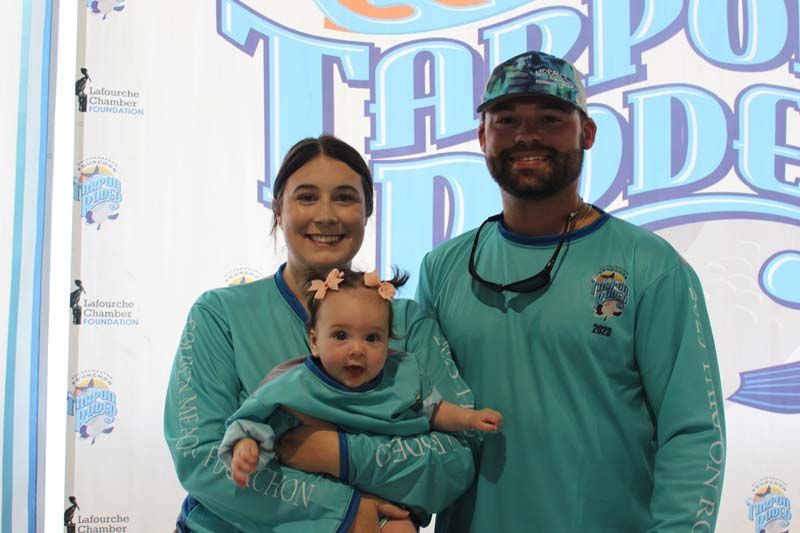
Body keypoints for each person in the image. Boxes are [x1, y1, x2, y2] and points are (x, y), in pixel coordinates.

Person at [416, 51, 726, 532]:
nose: (527, 135)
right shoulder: (442, 269)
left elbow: (693, 431)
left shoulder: (650, 266)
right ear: (482, 137)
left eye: (550, 118)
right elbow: (418, 416)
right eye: (507, 119)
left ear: (587, 133)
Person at [164, 135, 479, 533]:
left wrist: (337, 454)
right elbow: (201, 457)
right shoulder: (219, 316)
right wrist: (346, 512)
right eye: (307, 197)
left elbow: (457, 458)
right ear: (278, 210)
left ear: (367, 211)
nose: (326, 215)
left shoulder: (408, 324)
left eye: (345, 198)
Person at [220, 268, 502, 532]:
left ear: (389, 342)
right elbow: (258, 419)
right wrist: (246, 445)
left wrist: (468, 419)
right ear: (315, 341)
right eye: (341, 336)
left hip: (392, 495)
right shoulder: (296, 385)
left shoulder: (401, 376)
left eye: (372, 338)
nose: (357, 349)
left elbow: (436, 410)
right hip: (324, 498)